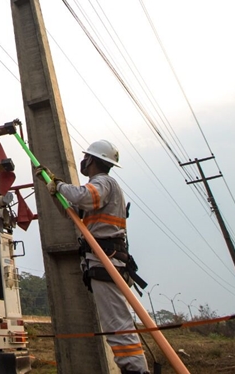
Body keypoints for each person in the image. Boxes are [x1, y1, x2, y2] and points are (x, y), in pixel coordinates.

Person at [47, 140, 149, 374]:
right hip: (104, 260)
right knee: (115, 320)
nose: (84, 161)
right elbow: (72, 211)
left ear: (91, 159)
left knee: (116, 322)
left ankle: (134, 369)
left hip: (107, 259)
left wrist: (60, 185)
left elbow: (85, 197)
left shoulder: (103, 183)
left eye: (85, 157)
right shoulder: (102, 188)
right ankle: (132, 367)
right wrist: (53, 191)